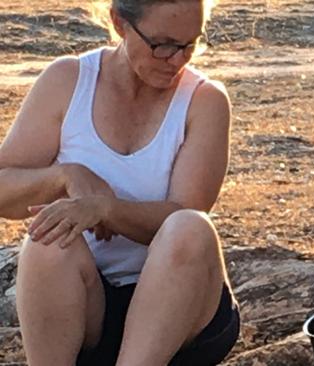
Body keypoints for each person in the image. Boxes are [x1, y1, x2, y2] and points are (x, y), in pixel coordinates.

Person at [0, 0, 239, 365]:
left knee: (190, 227)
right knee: (46, 240)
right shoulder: (67, 81)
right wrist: (65, 177)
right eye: (163, 44)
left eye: (190, 44)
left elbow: (184, 215)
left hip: (181, 304)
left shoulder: (204, 101)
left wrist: (107, 210)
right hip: (88, 304)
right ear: (119, 23)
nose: (178, 60)